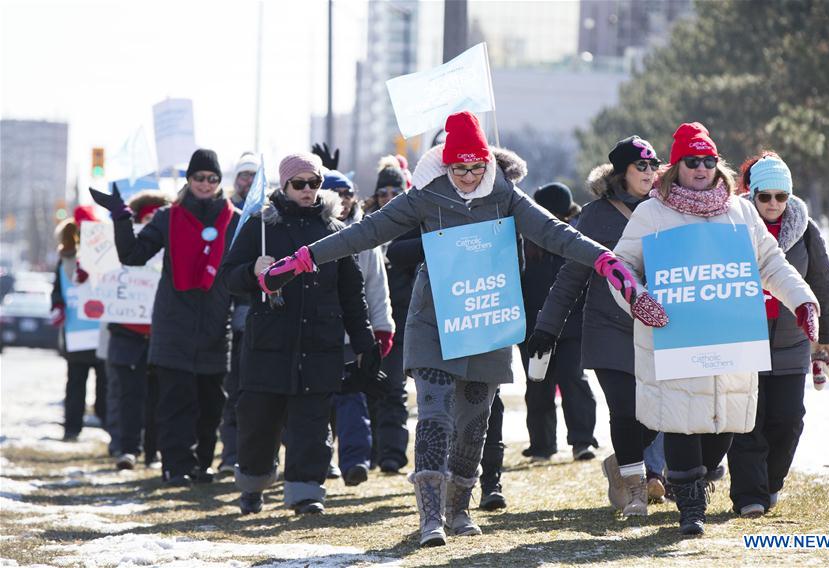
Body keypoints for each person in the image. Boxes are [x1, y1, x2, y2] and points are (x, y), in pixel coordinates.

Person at [257, 111, 666, 546]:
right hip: (433, 321)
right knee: (434, 417)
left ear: (487, 164)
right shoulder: (426, 196)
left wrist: (607, 262)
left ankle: (458, 509)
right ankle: (430, 516)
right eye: (459, 168)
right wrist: (302, 260)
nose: (468, 177)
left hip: (488, 318)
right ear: (446, 165)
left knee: (474, 425)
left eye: (476, 167)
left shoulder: (504, 194)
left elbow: (555, 233)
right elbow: (365, 233)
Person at [607, 123, 820, 535]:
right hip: (674, 335)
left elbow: (771, 263)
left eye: (707, 160)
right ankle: (690, 510)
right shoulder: (653, 212)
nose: (701, 168)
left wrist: (803, 300)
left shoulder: (740, 211)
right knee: (683, 421)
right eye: (692, 161)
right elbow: (622, 266)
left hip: (729, 335)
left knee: (721, 429)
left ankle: (696, 482)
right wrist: (638, 298)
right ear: (677, 166)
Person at [221, 153, 383, 515]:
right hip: (269, 346)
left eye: (314, 183)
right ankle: (253, 484)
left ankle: (306, 492)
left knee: (311, 425)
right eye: (299, 184)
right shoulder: (261, 227)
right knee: (259, 423)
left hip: (319, 345)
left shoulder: (336, 232)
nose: (308, 190)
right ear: (285, 185)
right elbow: (228, 279)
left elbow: (352, 295)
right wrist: (251, 269)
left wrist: (364, 343)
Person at [530, 136, 662, 517]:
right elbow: (570, 279)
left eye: (654, 165)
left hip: (657, 328)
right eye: (642, 166)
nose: (650, 173)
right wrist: (547, 330)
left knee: (655, 415)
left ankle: (620, 463)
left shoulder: (666, 209)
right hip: (607, 328)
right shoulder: (594, 216)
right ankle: (636, 490)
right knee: (624, 411)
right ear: (622, 172)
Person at [90, 148, 237, 487]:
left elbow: (245, 269)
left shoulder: (236, 219)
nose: (205, 183)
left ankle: (202, 464)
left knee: (211, 404)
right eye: (199, 177)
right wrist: (121, 216)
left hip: (216, 326)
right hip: (174, 325)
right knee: (175, 402)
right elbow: (133, 255)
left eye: (212, 178)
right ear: (189, 179)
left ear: (219, 182)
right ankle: (176, 466)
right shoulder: (168, 218)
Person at [727, 153, 829, 517]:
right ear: (752, 194)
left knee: (789, 418)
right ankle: (749, 497)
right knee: (748, 421)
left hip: (791, 339)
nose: (773, 204)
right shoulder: (731, 224)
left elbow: (823, 284)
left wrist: (827, 334)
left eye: (781, 196)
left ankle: (771, 483)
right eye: (765, 196)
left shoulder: (806, 230)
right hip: (743, 336)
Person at [321, 168, 395, 486]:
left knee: (352, 397)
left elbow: (377, 286)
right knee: (317, 399)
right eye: (335, 193)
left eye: (347, 193)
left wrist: (382, 328)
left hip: (356, 330)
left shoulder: (368, 235)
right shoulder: (313, 231)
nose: (343, 200)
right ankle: (321, 460)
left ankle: (355, 461)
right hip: (318, 330)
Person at [520, 182, 598, 463]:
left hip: (573, 325)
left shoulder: (576, 236)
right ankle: (541, 445)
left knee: (572, 379)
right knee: (537, 384)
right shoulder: (524, 239)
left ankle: (582, 440)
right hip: (533, 326)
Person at [105, 191, 170, 470]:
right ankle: (128, 448)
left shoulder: (170, 240)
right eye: (147, 216)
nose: (151, 221)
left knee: (158, 397)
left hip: (161, 333)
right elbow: (99, 275)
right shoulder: (121, 243)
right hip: (126, 332)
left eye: (157, 216)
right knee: (128, 396)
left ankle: (153, 451)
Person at [218, 151, 260, 476]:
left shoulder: (266, 214)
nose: (247, 181)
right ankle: (229, 453)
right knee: (232, 390)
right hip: (228, 314)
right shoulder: (226, 215)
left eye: (252, 175)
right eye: (242, 175)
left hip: (258, 313)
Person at [51, 206, 108, 441]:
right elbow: (58, 290)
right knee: (76, 383)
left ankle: (107, 425)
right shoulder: (66, 259)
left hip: (102, 333)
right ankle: (72, 428)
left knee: (104, 384)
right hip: (77, 333)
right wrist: (58, 307)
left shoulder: (106, 259)